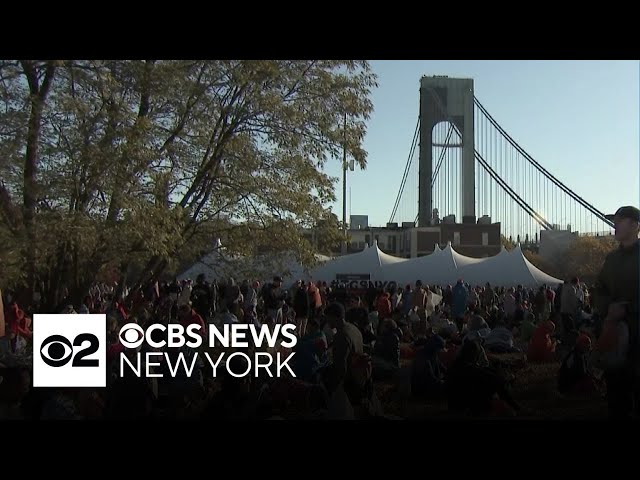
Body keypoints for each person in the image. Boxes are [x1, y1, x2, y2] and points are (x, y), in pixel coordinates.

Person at [593, 205, 640, 418]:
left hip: (637, 337)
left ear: (635, 225)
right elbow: (598, 289)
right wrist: (607, 308)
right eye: (614, 220)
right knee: (616, 398)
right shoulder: (611, 259)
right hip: (615, 336)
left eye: (620, 220)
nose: (615, 224)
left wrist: (628, 308)